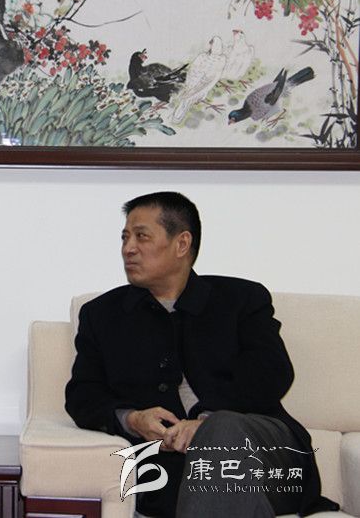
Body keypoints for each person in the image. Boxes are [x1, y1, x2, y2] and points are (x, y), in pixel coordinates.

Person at [64, 191, 337, 518]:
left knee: (221, 430)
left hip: (265, 455)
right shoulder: (103, 315)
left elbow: (271, 372)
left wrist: (206, 421)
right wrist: (133, 419)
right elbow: (83, 395)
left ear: (182, 243)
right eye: (125, 237)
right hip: (174, 473)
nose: (128, 248)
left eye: (141, 236)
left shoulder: (240, 299)